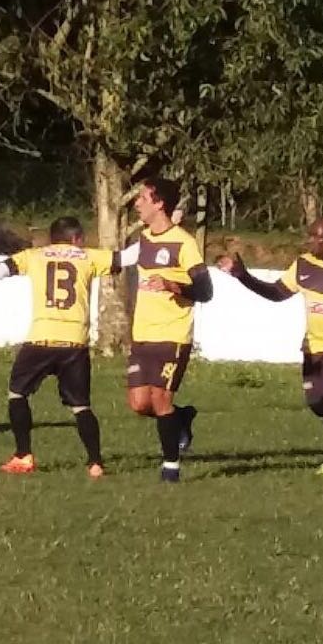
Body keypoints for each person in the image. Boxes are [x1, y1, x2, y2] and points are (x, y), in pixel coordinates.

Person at [0, 216, 131, 478]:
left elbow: (1, 268)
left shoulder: (35, 256)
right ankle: (95, 463)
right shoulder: (88, 257)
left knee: (17, 394)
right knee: (80, 406)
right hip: (74, 342)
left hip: (41, 338)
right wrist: (163, 233)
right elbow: (128, 257)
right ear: (76, 238)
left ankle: (23, 455)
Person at [216, 216, 323, 475]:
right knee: (318, 405)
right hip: (313, 342)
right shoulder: (303, 265)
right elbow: (276, 294)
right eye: (309, 236)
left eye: (316, 237)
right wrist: (242, 275)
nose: (309, 241)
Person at [123, 177, 213, 483]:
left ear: (159, 203)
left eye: (143, 198)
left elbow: (205, 290)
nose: (137, 203)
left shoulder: (184, 243)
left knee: (161, 398)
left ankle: (171, 467)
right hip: (142, 335)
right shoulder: (145, 240)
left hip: (173, 335)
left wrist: (173, 285)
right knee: (139, 404)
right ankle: (182, 417)